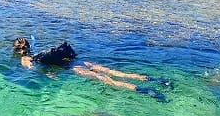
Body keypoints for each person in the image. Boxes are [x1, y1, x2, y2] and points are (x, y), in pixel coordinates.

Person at [13, 37, 151, 91]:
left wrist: (49, 74)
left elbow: (33, 69)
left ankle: (139, 89)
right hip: (75, 60)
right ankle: (147, 79)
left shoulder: (25, 59)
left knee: (103, 79)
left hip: (69, 66)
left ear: (17, 50)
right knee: (111, 71)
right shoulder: (38, 51)